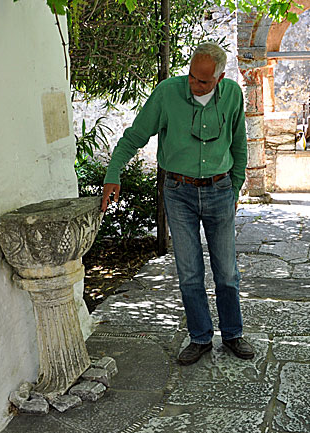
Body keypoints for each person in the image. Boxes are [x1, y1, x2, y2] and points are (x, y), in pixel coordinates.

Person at [100, 42, 254, 365]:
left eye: (204, 81)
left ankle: (232, 334)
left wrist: (234, 189)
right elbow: (134, 136)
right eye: (192, 78)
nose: (195, 85)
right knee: (189, 273)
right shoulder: (168, 94)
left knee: (226, 272)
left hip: (219, 190)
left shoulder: (233, 97)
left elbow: (240, 147)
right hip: (178, 192)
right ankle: (199, 337)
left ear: (220, 77)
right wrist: (113, 173)